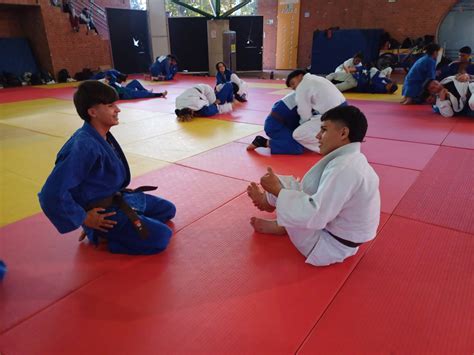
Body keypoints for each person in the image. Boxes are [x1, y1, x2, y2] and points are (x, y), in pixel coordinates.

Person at [38, 81, 176, 255]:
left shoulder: (101, 136)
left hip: (117, 198)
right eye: (110, 105)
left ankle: (120, 226)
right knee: (161, 237)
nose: (118, 110)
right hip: (105, 212)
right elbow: (50, 194)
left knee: (168, 210)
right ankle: (103, 234)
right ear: (92, 112)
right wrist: (85, 218)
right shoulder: (83, 146)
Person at [247, 105, 380, 266]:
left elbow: (315, 215)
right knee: (286, 182)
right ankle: (272, 208)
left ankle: (280, 221)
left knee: (282, 187)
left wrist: (277, 190)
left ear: (343, 133)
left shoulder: (345, 168)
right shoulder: (352, 159)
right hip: (336, 233)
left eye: (323, 130)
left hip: (326, 246)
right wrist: (280, 189)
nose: (317, 136)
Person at [285, 69, 347, 153]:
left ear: (300, 76)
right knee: (314, 119)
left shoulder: (302, 86)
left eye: (293, 83)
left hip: (334, 117)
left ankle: (329, 149)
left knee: (298, 134)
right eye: (292, 88)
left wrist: (301, 124)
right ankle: (336, 141)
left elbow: (304, 113)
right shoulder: (317, 78)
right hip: (345, 114)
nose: (294, 88)